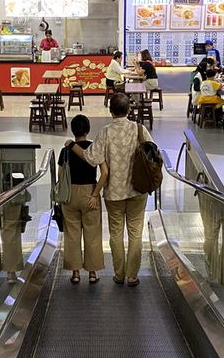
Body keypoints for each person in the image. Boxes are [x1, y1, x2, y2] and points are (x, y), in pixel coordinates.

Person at [70, 94, 154, 287]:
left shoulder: (105, 132)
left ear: (111, 111)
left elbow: (91, 158)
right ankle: (133, 275)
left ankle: (119, 274)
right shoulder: (139, 129)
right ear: (129, 110)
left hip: (114, 193)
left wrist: (72, 145)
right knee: (135, 232)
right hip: (138, 190)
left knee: (116, 233)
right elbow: (153, 151)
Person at [59, 115, 108, 284]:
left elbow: (60, 175)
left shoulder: (65, 150)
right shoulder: (94, 148)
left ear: (73, 131)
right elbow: (105, 173)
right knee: (92, 233)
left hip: (70, 194)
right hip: (89, 193)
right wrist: (96, 194)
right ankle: (92, 273)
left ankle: (75, 273)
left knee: (72, 234)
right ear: (87, 130)